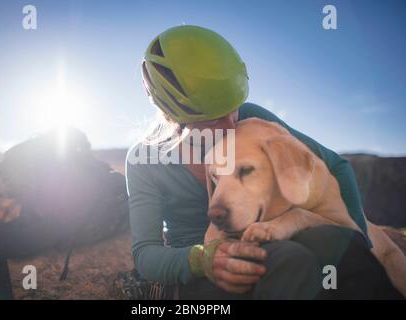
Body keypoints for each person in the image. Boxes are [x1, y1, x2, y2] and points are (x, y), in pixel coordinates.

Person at [125, 25, 402, 299]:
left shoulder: (251, 118)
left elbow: (335, 166)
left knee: (340, 245)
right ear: (175, 117)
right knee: (289, 260)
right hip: (204, 271)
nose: (232, 122)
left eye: (232, 107)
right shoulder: (145, 161)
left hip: (268, 234)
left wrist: (358, 238)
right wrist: (202, 259)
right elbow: (146, 253)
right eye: (215, 119)